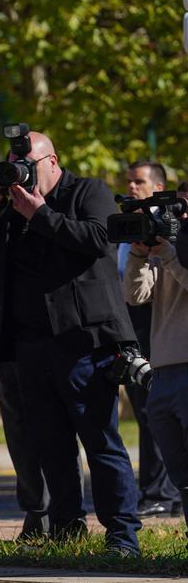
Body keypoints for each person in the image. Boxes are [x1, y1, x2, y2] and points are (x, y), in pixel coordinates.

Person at [0, 129, 142, 555]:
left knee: (100, 441)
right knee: (51, 447)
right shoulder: (8, 206)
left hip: (83, 344)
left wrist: (40, 214)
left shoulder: (88, 192)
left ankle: (122, 537)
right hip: (30, 348)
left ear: (53, 162)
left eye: (30, 167)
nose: (22, 177)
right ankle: (66, 530)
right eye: (14, 169)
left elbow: (99, 240)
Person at [122, 189, 188, 532]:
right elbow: (134, 295)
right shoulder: (169, 246)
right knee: (180, 475)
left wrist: (171, 257)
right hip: (163, 373)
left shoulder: (176, 250)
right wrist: (138, 253)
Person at [0, 263, 50, 538]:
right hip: (4, 347)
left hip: (41, 343)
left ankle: (59, 516)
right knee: (18, 436)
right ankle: (36, 512)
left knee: (49, 434)